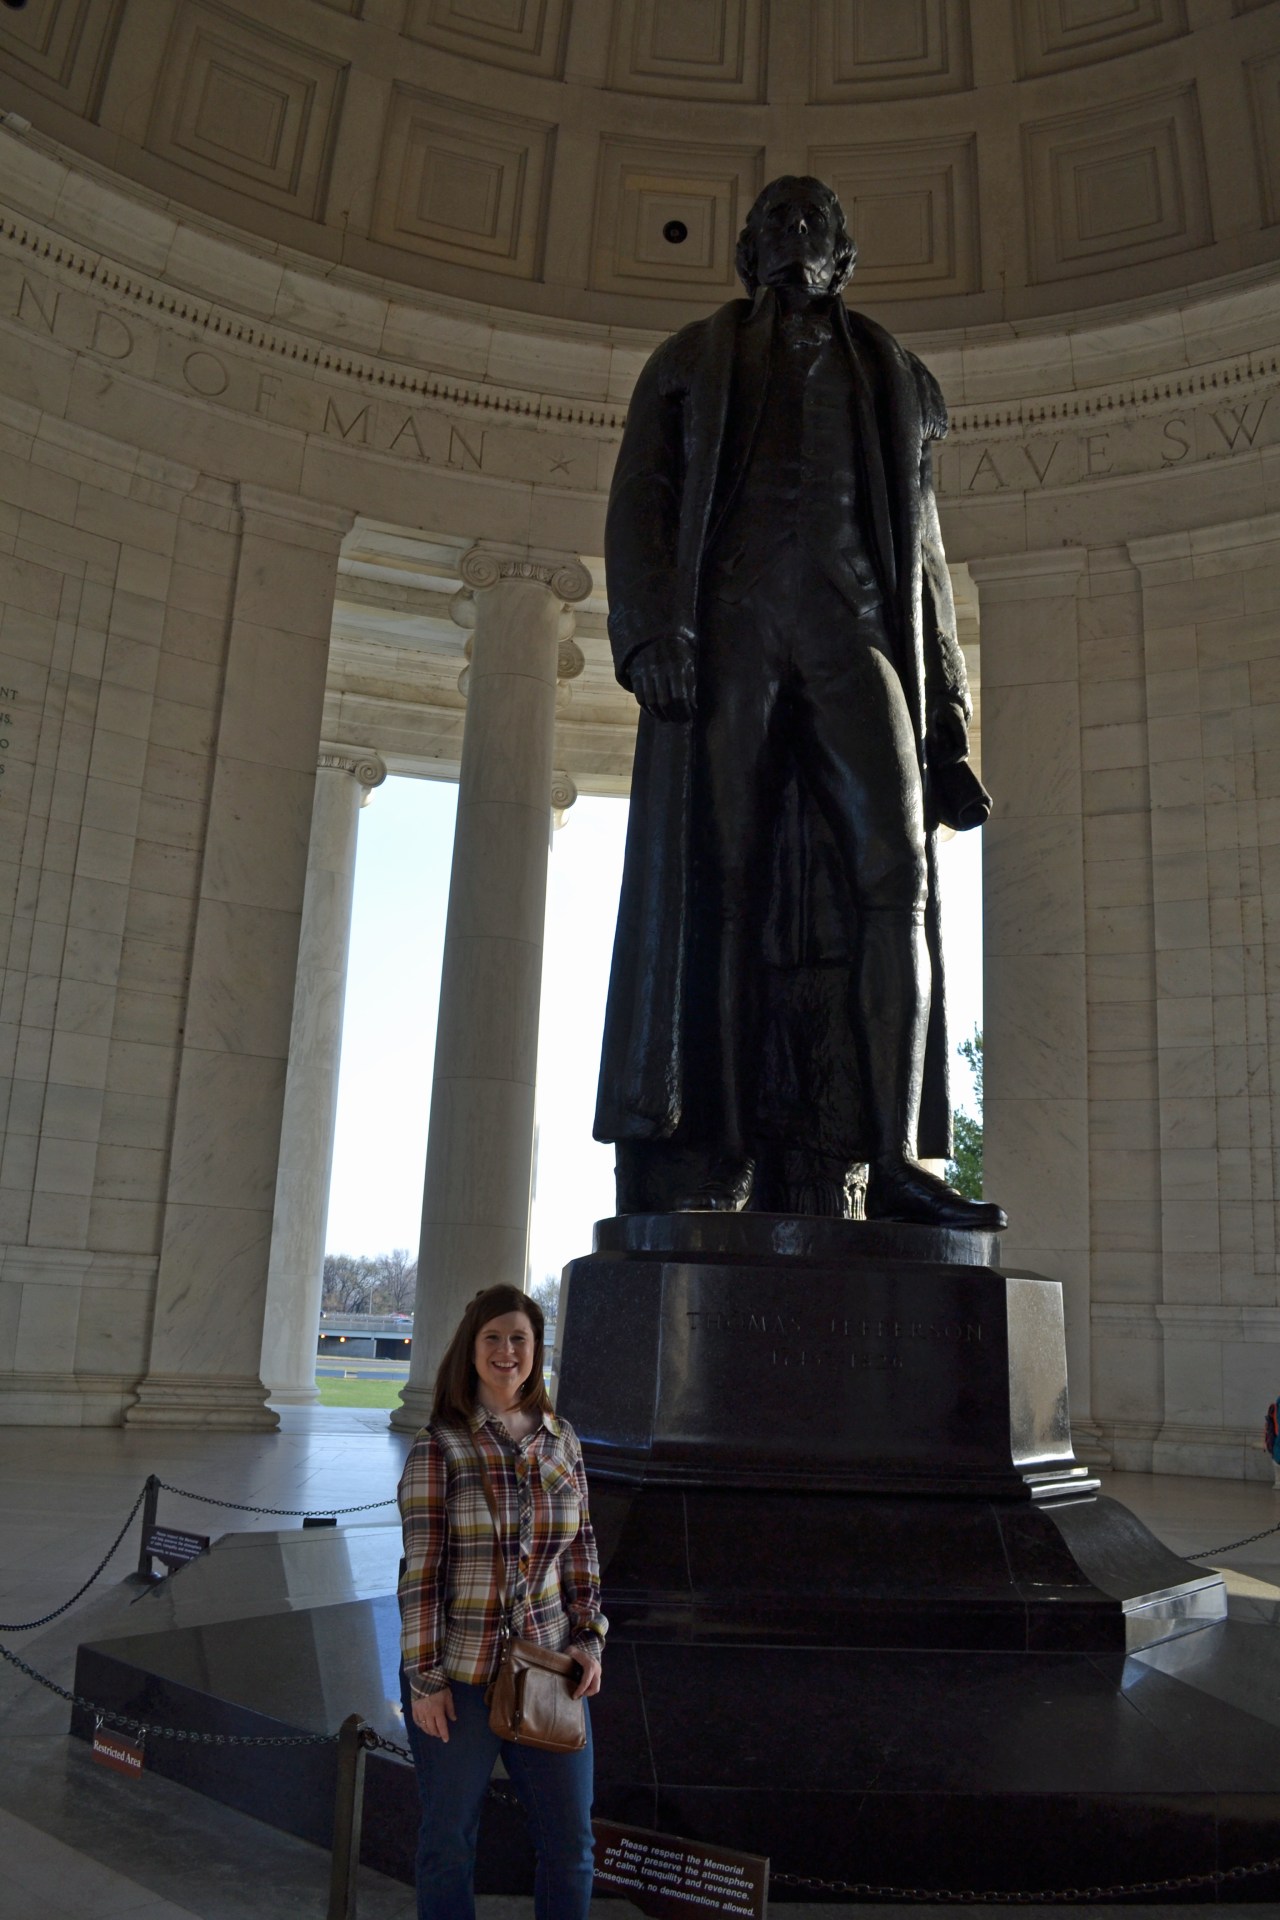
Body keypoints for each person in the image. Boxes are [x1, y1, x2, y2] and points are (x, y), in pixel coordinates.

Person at [594, 173, 1005, 1230]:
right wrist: (650, 632)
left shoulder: (895, 376)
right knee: (720, 884)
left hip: (852, 628)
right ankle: (722, 1146)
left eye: (812, 220)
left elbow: (925, 558)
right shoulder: (686, 362)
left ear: (843, 254)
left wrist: (948, 725)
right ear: (746, 252)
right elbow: (640, 502)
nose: (792, 233)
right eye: (774, 220)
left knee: (899, 873)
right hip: (729, 630)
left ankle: (894, 1156)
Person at [398, 1284, 606, 1920]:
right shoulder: (441, 1445)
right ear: (471, 1349)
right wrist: (425, 1679)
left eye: (519, 1338)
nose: (506, 1350)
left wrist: (589, 1638)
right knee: (448, 1843)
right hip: (460, 1679)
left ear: (537, 1350)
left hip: (547, 1671)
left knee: (571, 1845)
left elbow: (582, 1551)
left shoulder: (562, 1439)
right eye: (493, 1338)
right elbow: (421, 1573)